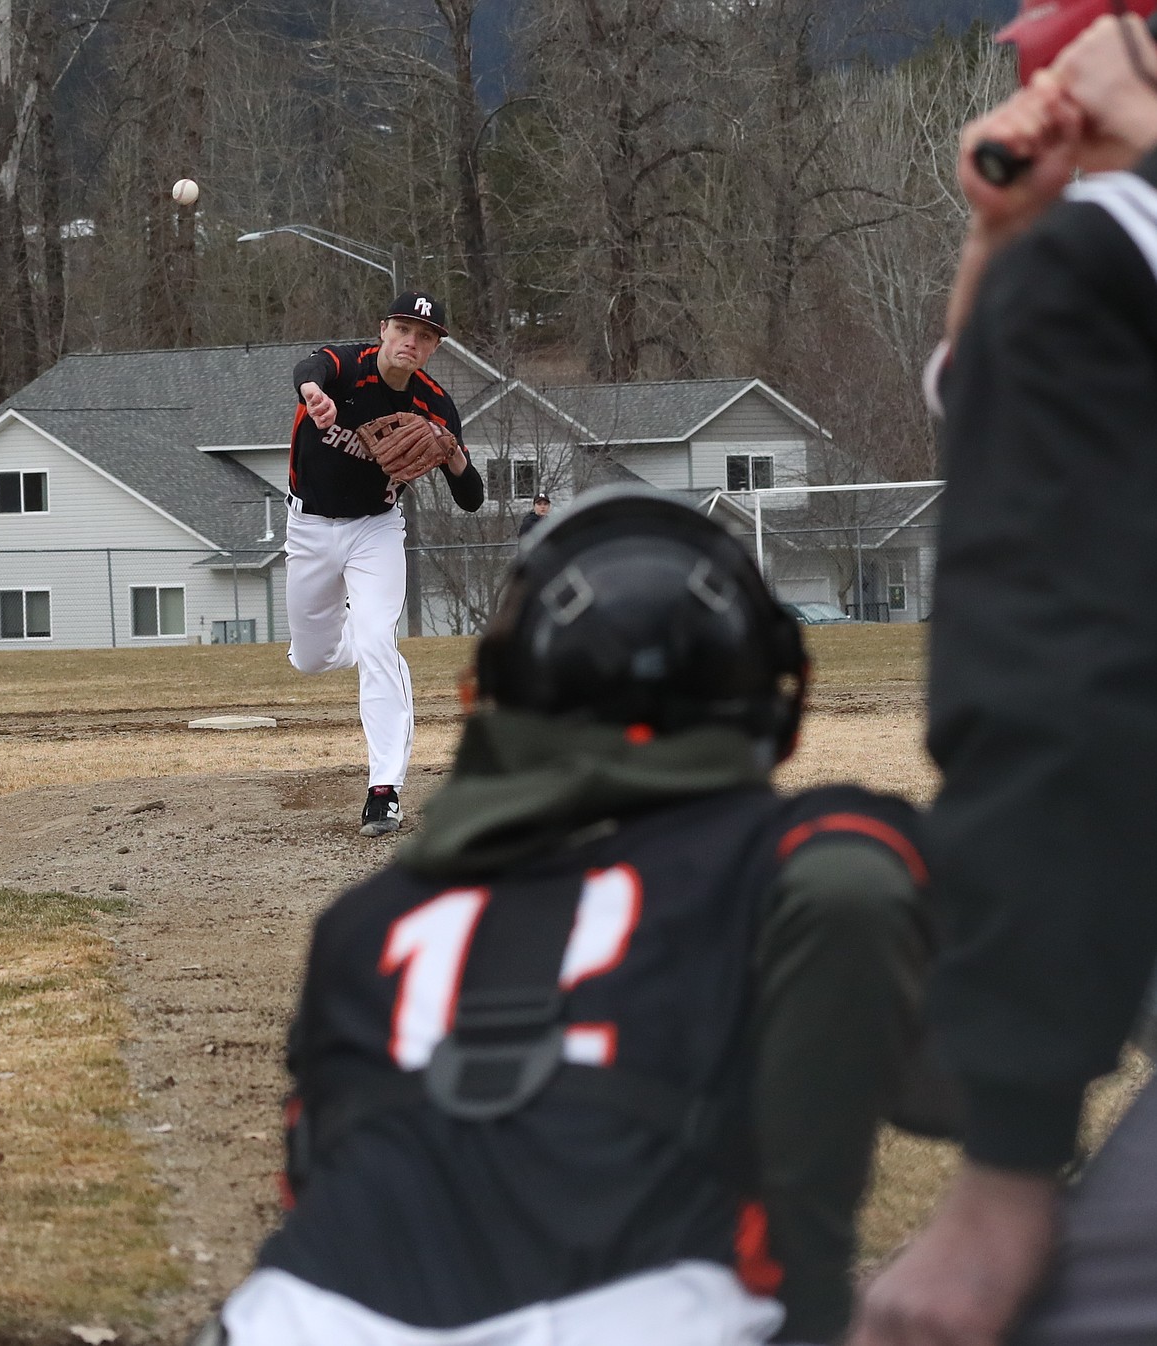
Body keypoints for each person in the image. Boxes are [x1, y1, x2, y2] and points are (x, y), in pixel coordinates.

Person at [203, 487, 935, 1346]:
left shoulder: (364, 922)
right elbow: (899, 969)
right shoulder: (796, 852)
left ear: (500, 699)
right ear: (773, 696)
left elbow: (315, 1179)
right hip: (639, 1309)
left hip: (292, 1317)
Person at [849, 13, 1157, 1346]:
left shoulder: (1086, 275)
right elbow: (985, 389)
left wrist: (1003, 1169)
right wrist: (1007, 239)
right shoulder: (1073, 269)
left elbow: (1057, 706)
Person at [285, 290, 485, 837]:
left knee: (379, 642)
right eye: (403, 329)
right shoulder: (343, 367)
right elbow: (308, 368)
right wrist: (313, 394)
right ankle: (350, 638)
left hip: (375, 530)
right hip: (308, 528)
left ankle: (384, 789)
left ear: (434, 347)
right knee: (311, 658)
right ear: (384, 330)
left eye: (424, 336)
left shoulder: (435, 405)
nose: (411, 342)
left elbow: (472, 499)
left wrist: (454, 454)